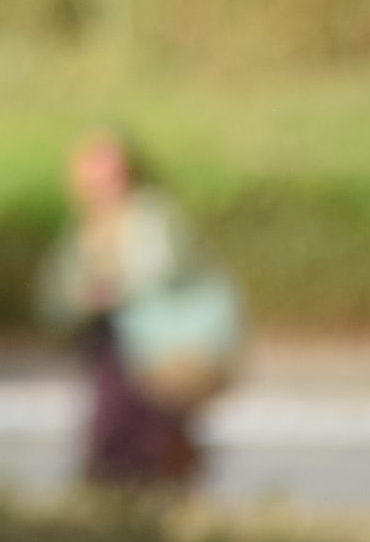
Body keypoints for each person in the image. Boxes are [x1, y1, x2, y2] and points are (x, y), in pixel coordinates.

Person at [38, 130, 237, 488]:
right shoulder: (86, 226)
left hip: (162, 341)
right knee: (124, 414)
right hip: (119, 340)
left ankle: (133, 483)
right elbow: (59, 291)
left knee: (136, 415)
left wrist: (107, 290)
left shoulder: (151, 216)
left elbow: (156, 271)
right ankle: (127, 482)